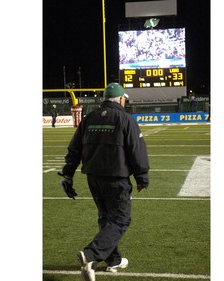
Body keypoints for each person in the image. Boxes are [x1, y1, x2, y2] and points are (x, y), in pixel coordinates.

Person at [58, 82, 150, 281]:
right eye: (124, 98)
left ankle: (113, 260)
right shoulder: (125, 119)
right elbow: (137, 151)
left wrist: (68, 175)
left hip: (93, 178)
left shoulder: (89, 118)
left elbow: (74, 149)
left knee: (106, 218)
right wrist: (142, 178)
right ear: (120, 99)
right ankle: (91, 254)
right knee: (120, 219)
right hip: (116, 179)